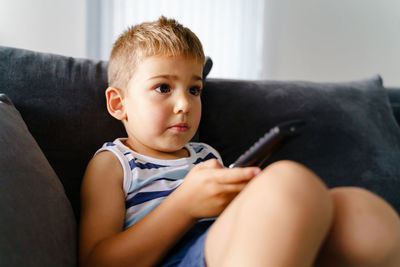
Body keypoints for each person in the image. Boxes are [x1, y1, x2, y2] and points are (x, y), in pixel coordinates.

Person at [79, 16, 400, 267]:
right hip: (174, 259)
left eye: (194, 90)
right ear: (118, 103)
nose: (184, 104)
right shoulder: (114, 163)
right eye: (163, 88)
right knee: (290, 180)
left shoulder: (205, 156)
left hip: (231, 247)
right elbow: (96, 262)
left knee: (360, 211)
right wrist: (184, 206)